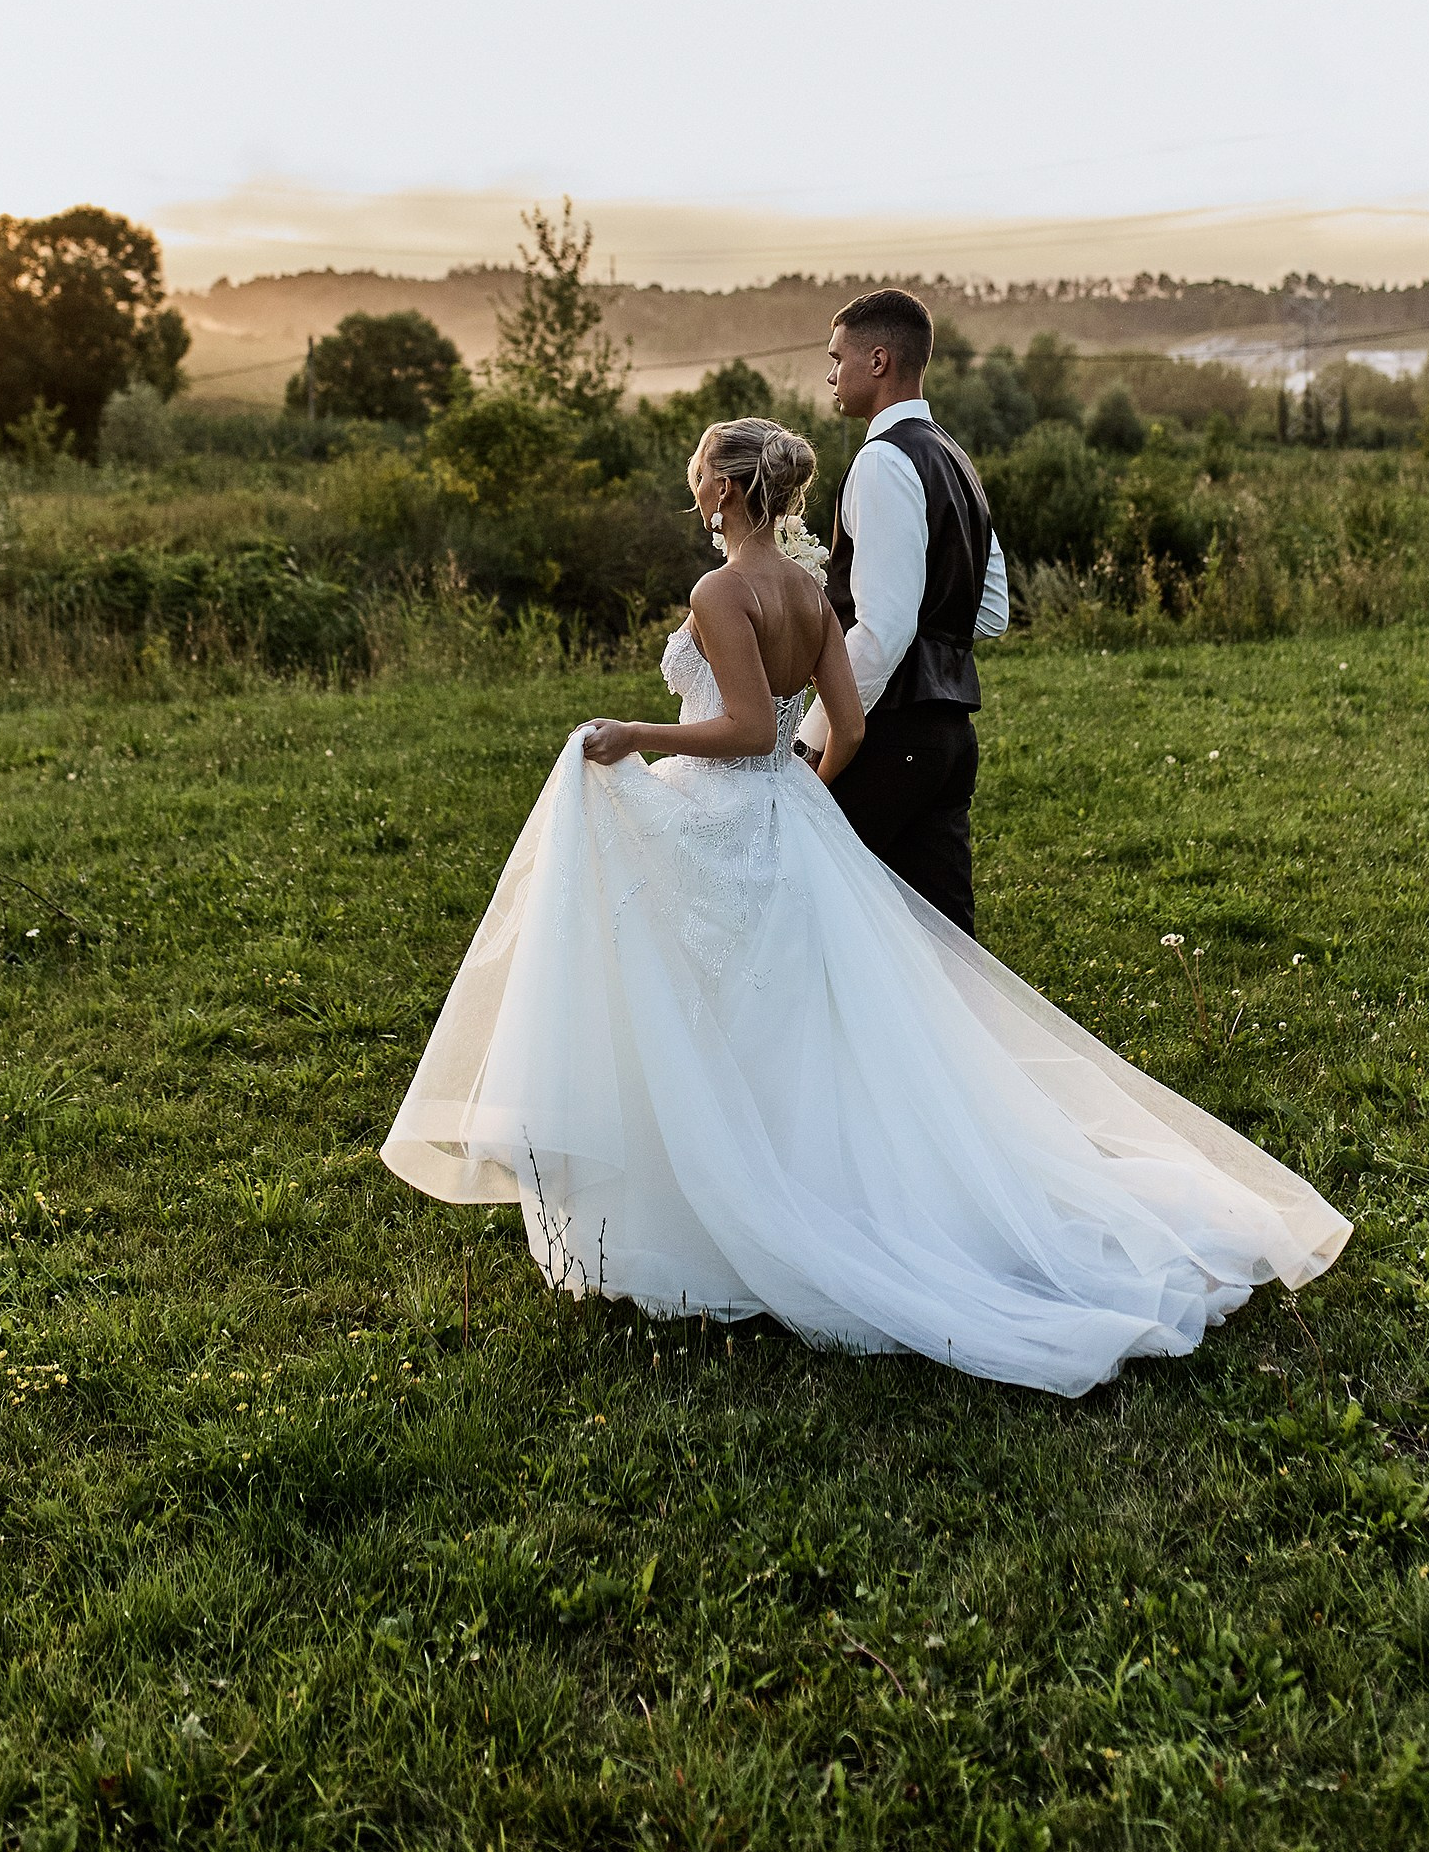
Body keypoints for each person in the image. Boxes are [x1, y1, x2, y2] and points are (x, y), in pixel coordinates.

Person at [382, 414, 1348, 1398]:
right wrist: (798, 788)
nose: (692, 484)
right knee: (787, 1018)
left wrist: (638, 733)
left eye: (698, 471)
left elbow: (744, 726)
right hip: (789, 814)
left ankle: (738, 1208)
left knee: (699, 1003)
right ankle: (791, 1179)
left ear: (725, 490)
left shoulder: (719, 591)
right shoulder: (810, 593)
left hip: (721, 812)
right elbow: (842, 725)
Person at [798, 287, 1007, 937]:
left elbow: (884, 630)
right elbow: (990, 610)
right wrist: (936, 636)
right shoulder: (953, 458)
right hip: (949, 737)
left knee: (823, 919)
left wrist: (814, 736)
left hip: (887, 738)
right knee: (946, 943)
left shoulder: (884, 460)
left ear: (879, 360)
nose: (831, 375)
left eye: (837, 358)